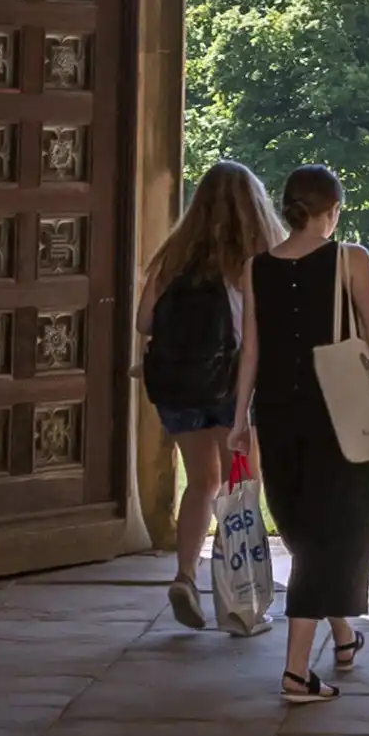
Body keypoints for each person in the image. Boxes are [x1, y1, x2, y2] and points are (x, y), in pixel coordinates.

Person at [234, 164, 369, 704]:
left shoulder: (254, 267)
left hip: (278, 412)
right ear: (330, 209)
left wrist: (240, 418)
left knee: (309, 532)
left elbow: (251, 350)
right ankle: (295, 672)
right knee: (336, 534)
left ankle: (345, 637)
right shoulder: (350, 260)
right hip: (336, 411)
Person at [137, 160, 285, 630]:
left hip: (178, 387)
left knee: (201, 482)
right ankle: (239, 598)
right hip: (233, 389)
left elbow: (145, 323)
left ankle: (185, 575)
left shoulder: (173, 257)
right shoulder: (259, 259)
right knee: (241, 490)